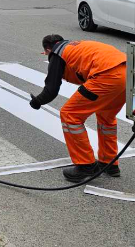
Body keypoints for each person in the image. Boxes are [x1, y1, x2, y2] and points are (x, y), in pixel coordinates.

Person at [29, 35, 127, 182]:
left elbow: (51, 89)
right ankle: (109, 163)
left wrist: (37, 101)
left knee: (70, 115)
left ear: (48, 50)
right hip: (128, 74)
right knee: (106, 117)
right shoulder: (75, 47)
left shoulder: (57, 53)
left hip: (105, 76)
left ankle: (85, 165)